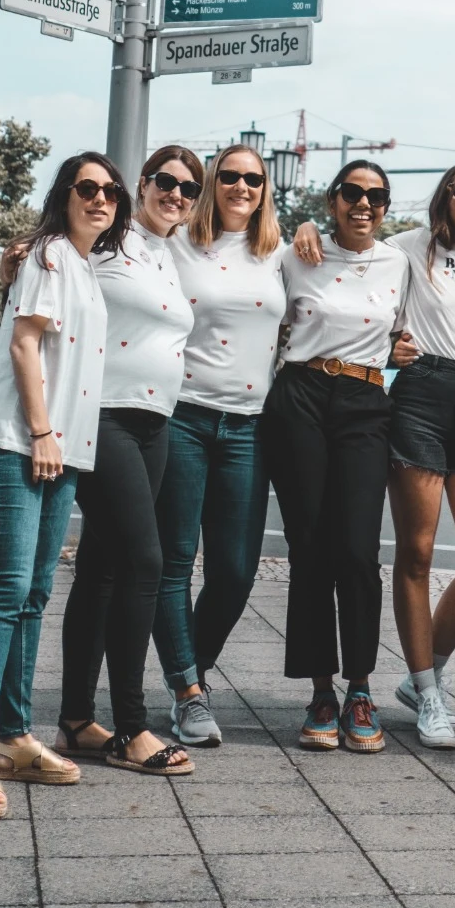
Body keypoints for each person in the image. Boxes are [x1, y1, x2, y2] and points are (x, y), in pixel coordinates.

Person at [294, 161, 455, 748]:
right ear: (444, 199)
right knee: (414, 552)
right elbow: (351, 253)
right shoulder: (410, 248)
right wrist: (308, 226)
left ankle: (423, 677)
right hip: (421, 397)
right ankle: (428, 692)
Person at [0, 152, 124, 818]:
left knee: (35, 595)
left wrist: (61, 442)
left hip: (60, 450)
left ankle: (16, 738)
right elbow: (25, 345)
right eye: (87, 188)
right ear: (65, 195)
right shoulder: (50, 254)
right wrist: (44, 429)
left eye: (111, 191)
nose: (101, 199)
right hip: (18, 442)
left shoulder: (83, 266)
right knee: (8, 590)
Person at [56, 145, 201, 778]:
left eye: (187, 188)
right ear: (138, 186)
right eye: (165, 182)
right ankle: (132, 728)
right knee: (147, 560)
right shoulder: (108, 239)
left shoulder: (171, 255)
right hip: (105, 413)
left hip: (154, 422)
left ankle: (77, 720)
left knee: (103, 567)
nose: (176, 194)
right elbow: (56, 250)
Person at [261, 160, 412, 753]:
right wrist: (299, 226)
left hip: (365, 398)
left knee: (357, 548)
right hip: (300, 395)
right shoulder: (296, 252)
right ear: (333, 199)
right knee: (309, 546)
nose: (364, 204)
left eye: (376, 196)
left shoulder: (399, 261)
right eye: (352, 193)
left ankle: (360, 687)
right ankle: (322, 690)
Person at [154, 145, 287, 747]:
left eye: (252, 178)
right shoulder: (176, 244)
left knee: (234, 572)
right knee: (175, 563)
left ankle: (192, 672)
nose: (241, 186)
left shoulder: (281, 254)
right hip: (182, 417)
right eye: (229, 176)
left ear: (265, 188)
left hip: (249, 426)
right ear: (212, 184)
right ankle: (188, 693)